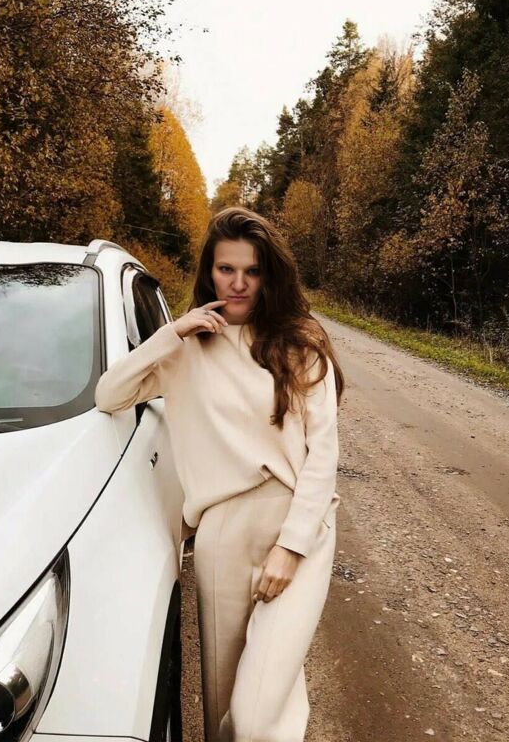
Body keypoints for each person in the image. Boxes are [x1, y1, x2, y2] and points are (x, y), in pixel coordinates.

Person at [95, 206, 345, 742]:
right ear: (209, 272)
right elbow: (109, 394)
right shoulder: (185, 349)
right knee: (223, 701)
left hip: (297, 526)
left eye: (252, 271)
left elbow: (323, 453)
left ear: (268, 276)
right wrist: (172, 333)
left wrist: (292, 545)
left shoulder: (300, 344)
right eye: (226, 269)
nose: (238, 283)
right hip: (222, 532)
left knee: (254, 715)